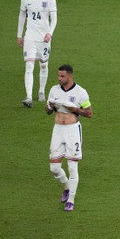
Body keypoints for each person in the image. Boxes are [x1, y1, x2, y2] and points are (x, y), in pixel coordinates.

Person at [45, 64, 93, 212]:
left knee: (73, 167)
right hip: (57, 130)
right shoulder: (54, 90)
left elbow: (89, 113)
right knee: (54, 168)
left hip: (73, 130)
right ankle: (67, 186)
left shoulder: (80, 92)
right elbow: (47, 111)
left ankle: (71, 200)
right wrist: (51, 106)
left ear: (70, 76)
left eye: (62, 76)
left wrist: (75, 109)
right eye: (58, 76)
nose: (59, 79)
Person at [18, 0, 58, 108]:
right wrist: (19, 35)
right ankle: (28, 97)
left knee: (43, 65)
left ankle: (41, 90)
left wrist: (49, 34)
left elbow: (54, 19)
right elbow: (22, 15)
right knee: (29, 66)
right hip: (29, 37)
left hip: (44, 39)